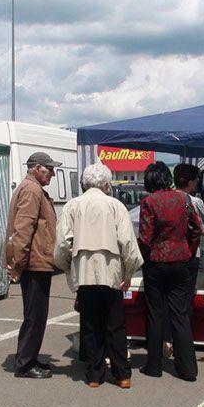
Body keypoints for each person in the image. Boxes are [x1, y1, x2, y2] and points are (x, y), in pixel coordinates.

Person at [54, 163, 143, 388]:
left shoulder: (72, 205)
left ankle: (95, 375)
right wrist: (129, 272)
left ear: (85, 184)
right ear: (106, 184)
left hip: (84, 271)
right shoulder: (115, 205)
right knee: (116, 324)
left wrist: (67, 266)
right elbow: (127, 242)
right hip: (111, 271)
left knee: (90, 324)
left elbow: (63, 243)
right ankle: (122, 375)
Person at [138, 161, 202, 381]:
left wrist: (144, 256)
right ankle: (188, 369)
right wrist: (188, 250)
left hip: (156, 263)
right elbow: (196, 229)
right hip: (181, 261)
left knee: (155, 314)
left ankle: (154, 366)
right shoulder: (184, 199)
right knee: (180, 315)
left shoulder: (149, 202)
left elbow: (145, 237)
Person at [5, 152, 61, 379]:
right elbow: (23, 229)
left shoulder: (31, 188)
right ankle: (25, 364)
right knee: (35, 315)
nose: (53, 174)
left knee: (35, 314)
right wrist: (17, 264)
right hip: (34, 262)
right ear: (37, 168)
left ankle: (29, 357)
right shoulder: (31, 190)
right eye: (49, 169)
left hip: (35, 260)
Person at [161, 163, 204, 358]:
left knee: (168, 299)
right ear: (190, 182)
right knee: (186, 301)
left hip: (168, 256)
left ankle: (166, 339)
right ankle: (183, 343)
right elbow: (203, 229)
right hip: (189, 256)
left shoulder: (165, 199)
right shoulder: (195, 202)